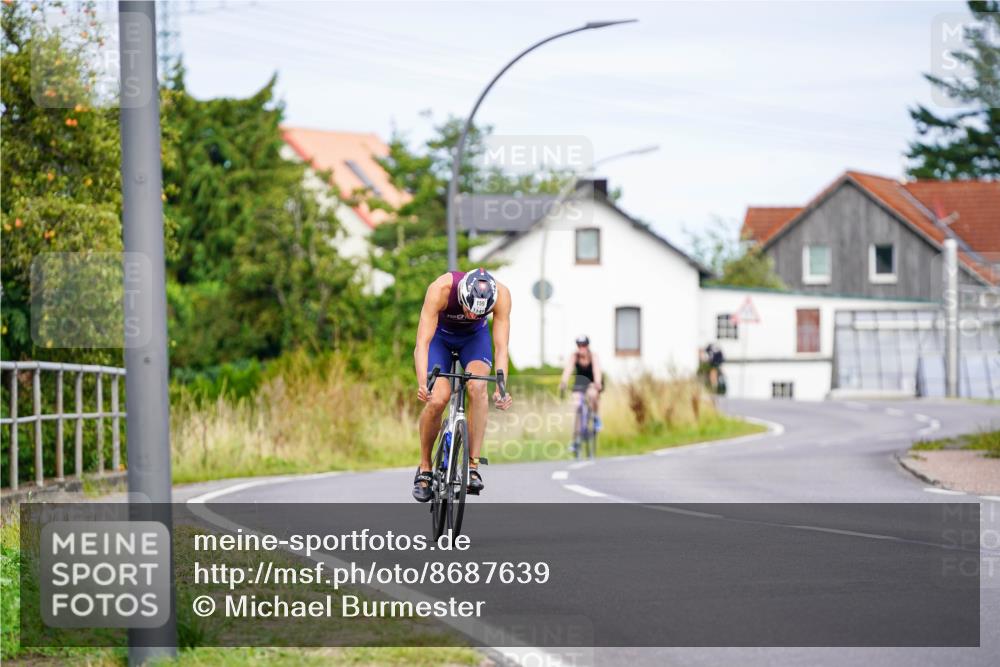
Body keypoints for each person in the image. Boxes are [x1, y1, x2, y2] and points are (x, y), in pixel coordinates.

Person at [412, 269, 513, 502]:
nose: (470, 314)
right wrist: (422, 383)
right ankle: (425, 467)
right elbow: (422, 344)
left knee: (477, 387)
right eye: (467, 308)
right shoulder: (441, 289)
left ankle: (472, 467)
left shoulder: (502, 295)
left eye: (478, 313)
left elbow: (501, 348)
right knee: (438, 398)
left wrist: (501, 388)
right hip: (440, 339)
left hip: (473, 340)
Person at [558, 335, 603, 441]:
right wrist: (563, 382)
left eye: (584, 345)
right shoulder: (574, 356)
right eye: (579, 345)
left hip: (592, 382)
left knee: (593, 395)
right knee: (577, 405)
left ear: (588, 346)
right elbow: (568, 369)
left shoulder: (593, 356)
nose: (581, 348)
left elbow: (597, 370)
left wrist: (597, 382)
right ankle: (576, 439)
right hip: (579, 383)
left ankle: (596, 417)